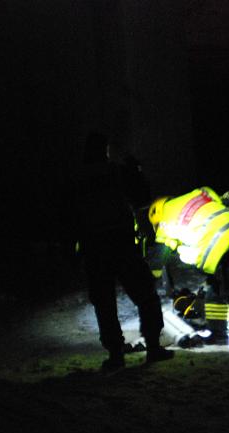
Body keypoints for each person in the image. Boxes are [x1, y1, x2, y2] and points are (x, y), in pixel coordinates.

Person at [70, 132, 172, 372]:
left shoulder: (76, 179)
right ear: (105, 150)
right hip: (121, 242)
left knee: (104, 304)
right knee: (145, 294)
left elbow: (69, 217)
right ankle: (153, 347)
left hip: (93, 247)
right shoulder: (115, 172)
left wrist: (73, 250)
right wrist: (135, 170)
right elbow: (142, 197)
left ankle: (116, 354)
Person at [147, 187, 229, 357]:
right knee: (214, 289)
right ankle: (219, 334)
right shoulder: (197, 194)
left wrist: (152, 278)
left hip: (218, 247)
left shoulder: (165, 220)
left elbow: (159, 255)